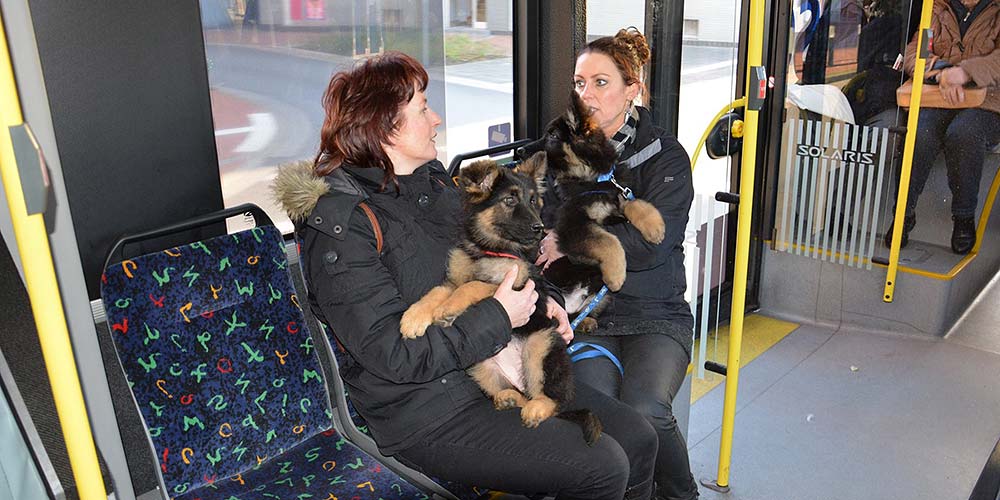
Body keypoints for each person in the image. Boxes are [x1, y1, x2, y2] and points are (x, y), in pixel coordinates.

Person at [273, 51, 659, 500]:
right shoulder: (341, 227)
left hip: (494, 364)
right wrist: (500, 315)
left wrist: (545, 297)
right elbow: (392, 355)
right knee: (602, 466)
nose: (436, 118)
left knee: (638, 437)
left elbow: (505, 255)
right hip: (427, 409)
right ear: (384, 129)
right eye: (422, 108)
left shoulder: (434, 185)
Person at [536, 29, 699, 500]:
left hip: (655, 314)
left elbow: (652, 245)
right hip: (591, 319)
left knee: (646, 410)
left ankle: (681, 493)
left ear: (633, 90)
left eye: (601, 83)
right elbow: (542, 227)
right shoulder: (559, 152)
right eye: (580, 82)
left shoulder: (664, 157)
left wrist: (569, 244)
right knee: (602, 418)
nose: (586, 94)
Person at [884, 0, 1000, 254]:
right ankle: (904, 213)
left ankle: (964, 217)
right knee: (920, 131)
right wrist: (941, 71)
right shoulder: (935, 8)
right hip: (939, 95)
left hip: (988, 101)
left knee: (964, 133)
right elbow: (916, 52)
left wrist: (966, 73)